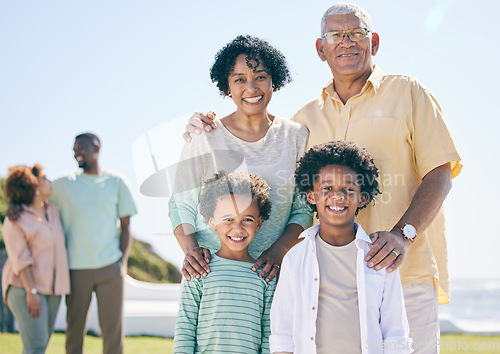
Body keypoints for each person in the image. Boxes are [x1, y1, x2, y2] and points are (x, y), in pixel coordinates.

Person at [183, 4, 461, 352]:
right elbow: (263, 174)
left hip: (405, 269)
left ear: (373, 42)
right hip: (330, 281)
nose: (346, 42)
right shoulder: (303, 123)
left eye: (356, 33)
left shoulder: (408, 93)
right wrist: (205, 127)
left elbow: (440, 173)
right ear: (320, 49)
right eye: (335, 35)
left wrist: (402, 236)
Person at [169, 35, 312, 284]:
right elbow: (181, 205)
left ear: (274, 80)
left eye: (260, 77)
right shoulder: (205, 134)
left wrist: (279, 252)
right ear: (227, 87)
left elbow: (303, 210)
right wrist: (191, 251)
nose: (251, 88)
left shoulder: (296, 137)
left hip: (275, 276)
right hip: (213, 274)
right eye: (239, 80)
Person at [269, 141, 412, 354]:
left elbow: (395, 332)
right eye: (327, 188)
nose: (337, 196)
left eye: (348, 189)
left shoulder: (379, 256)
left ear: (362, 198)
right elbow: (282, 331)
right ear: (311, 196)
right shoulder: (295, 258)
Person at [50, 133, 137, 354]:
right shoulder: (62, 184)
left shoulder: (116, 182)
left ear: (96, 146)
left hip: (110, 267)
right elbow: (36, 201)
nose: (76, 152)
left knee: (113, 331)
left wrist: (122, 262)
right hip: (76, 268)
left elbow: (126, 226)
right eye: (73, 149)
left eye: (80, 147)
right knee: (74, 330)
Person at [174, 170, 275, 353]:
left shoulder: (266, 276)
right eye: (228, 219)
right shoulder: (199, 270)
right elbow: (185, 330)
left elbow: (269, 334)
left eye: (247, 219)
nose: (237, 228)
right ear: (212, 223)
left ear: (259, 223)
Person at [2, 164, 70, 353]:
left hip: (53, 290)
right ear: (33, 185)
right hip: (25, 289)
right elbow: (20, 259)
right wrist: (31, 291)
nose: (49, 182)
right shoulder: (15, 219)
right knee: (36, 346)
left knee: (39, 345)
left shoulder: (53, 212)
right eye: (44, 178)